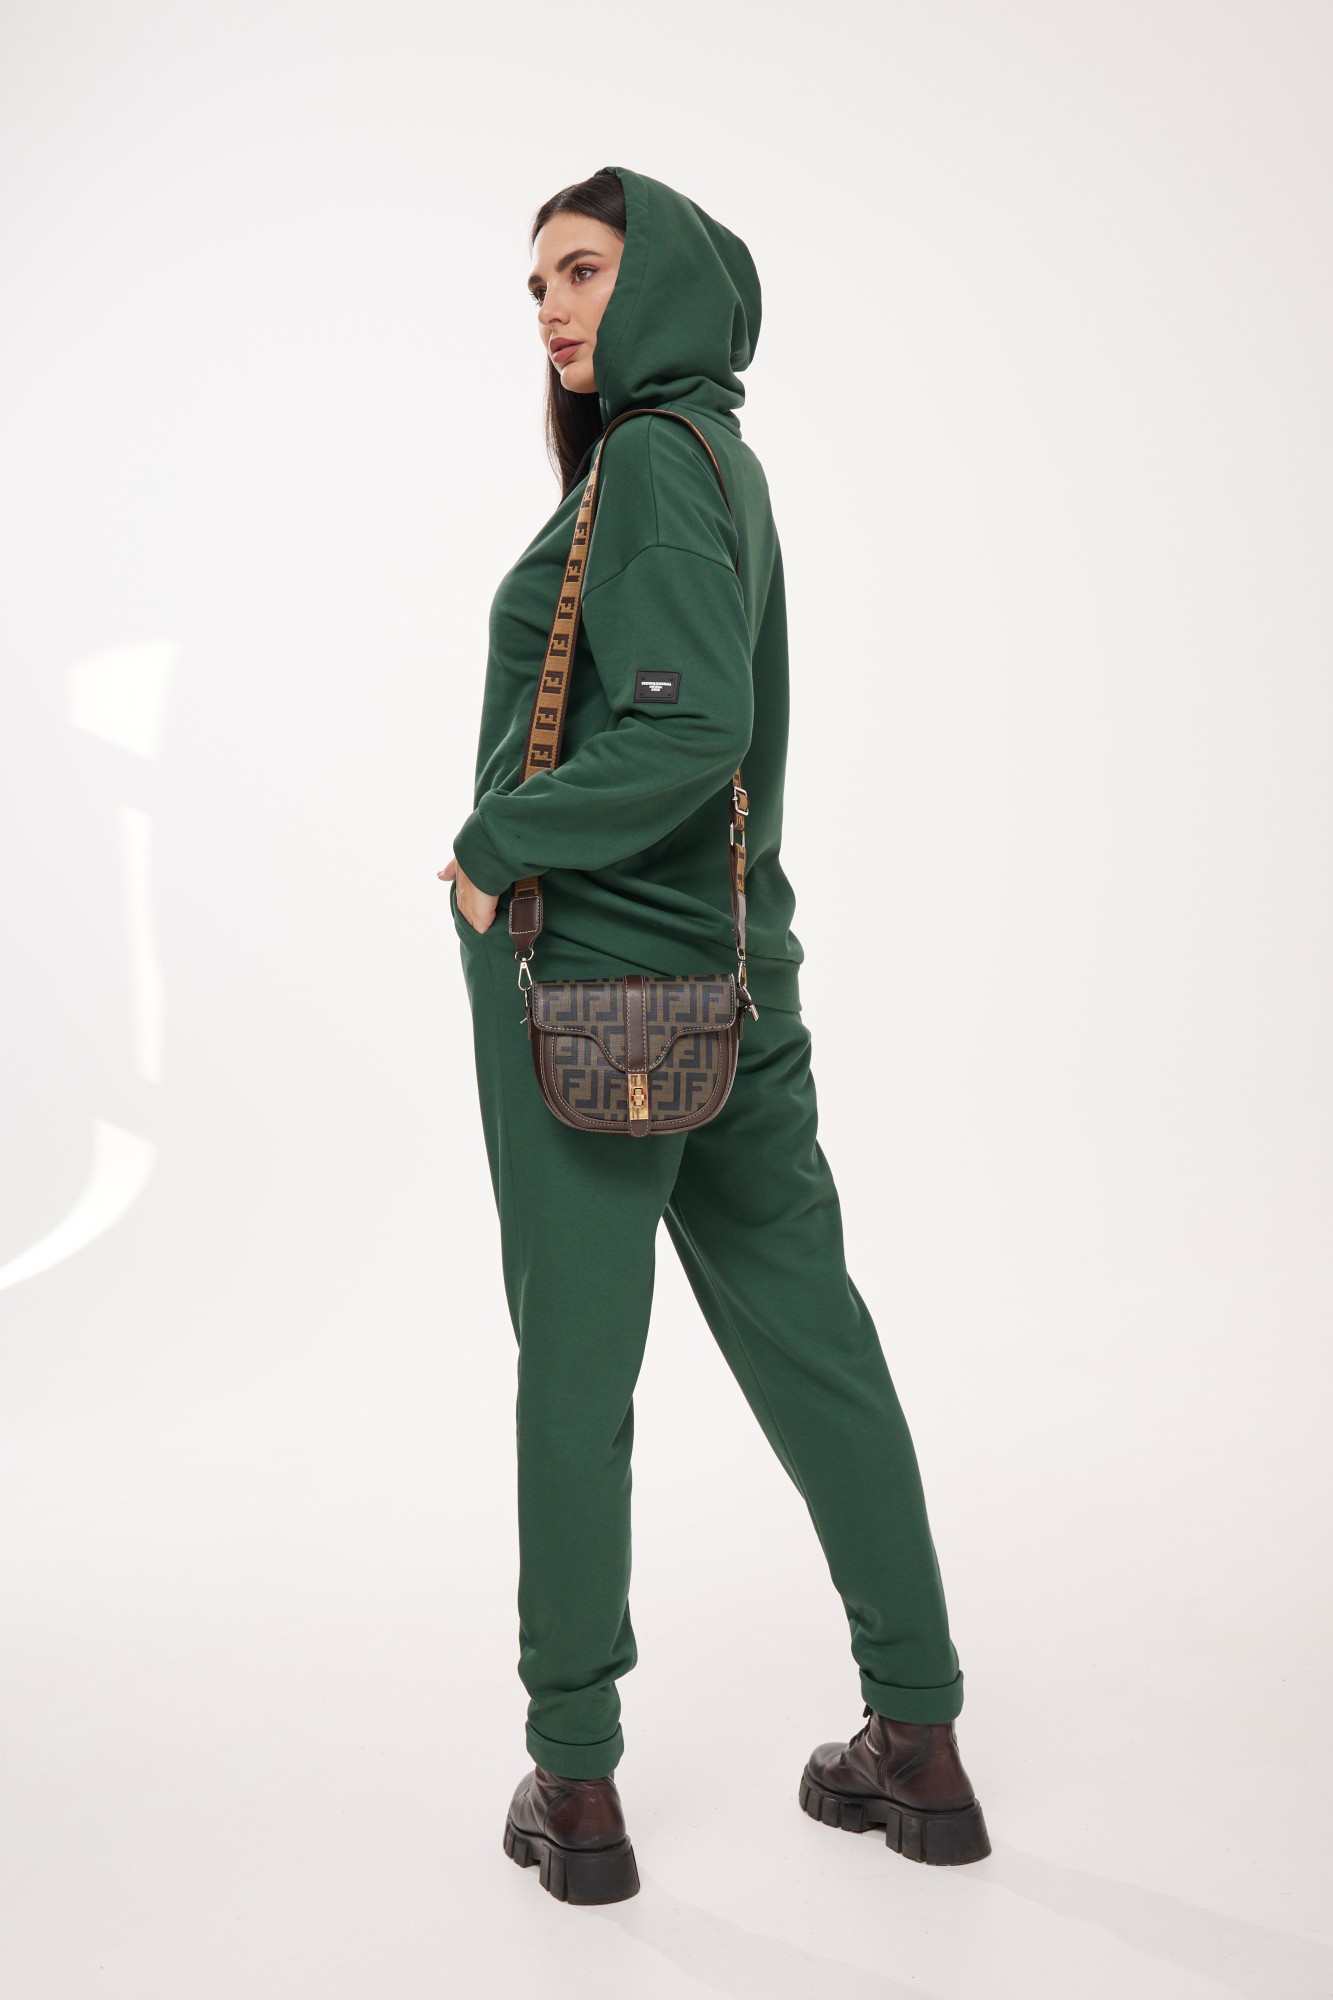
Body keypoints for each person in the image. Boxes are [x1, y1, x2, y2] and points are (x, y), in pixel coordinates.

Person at [438, 165, 990, 1905]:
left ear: (662, 279)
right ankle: (918, 1739)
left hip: (594, 1000)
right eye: (537, 281)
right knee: (815, 1345)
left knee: (575, 1381)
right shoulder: (710, 462)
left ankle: (575, 1780)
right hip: (734, 987)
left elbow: (688, 731)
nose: (551, 306)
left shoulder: (654, 468)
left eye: (585, 269)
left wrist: (496, 843)